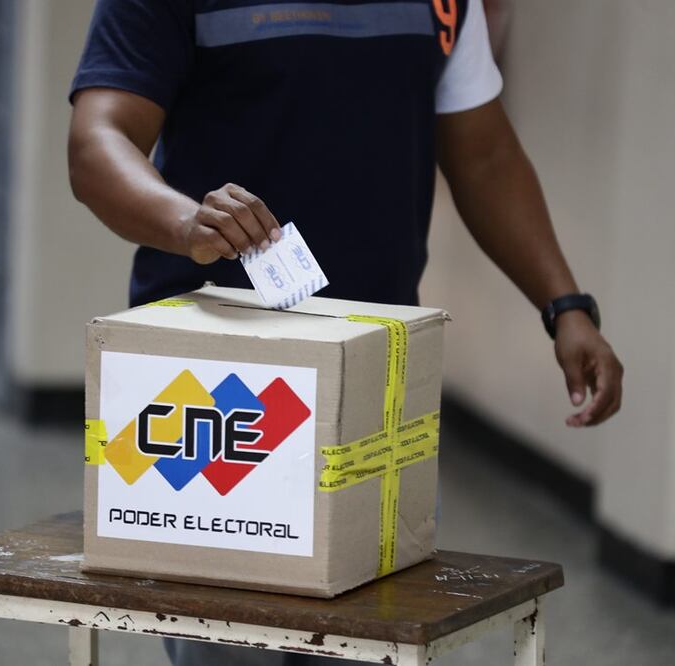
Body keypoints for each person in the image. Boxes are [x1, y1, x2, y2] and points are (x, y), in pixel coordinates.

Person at [68, 0, 622, 663]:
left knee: (368, 639)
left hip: (370, 375)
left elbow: (482, 154)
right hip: (216, 381)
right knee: (228, 645)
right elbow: (98, 140)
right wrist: (184, 221)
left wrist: (565, 305)